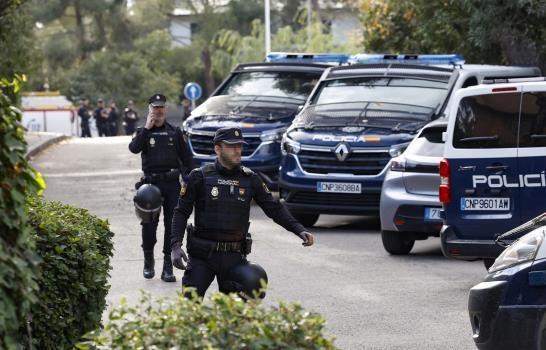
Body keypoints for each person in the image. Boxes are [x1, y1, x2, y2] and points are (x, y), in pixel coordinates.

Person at [170, 127, 314, 298]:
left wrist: (299, 229)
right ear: (218, 148)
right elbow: (181, 212)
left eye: (239, 146)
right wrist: (175, 245)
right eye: (231, 146)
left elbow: (274, 209)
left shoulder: (250, 179)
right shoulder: (199, 177)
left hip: (234, 258)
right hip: (203, 256)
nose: (237, 150)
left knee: (236, 315)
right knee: (190, 307)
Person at [129, 93, 192, 282]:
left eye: (161, 107)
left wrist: (188, 179)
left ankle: (167, 265)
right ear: (150, 110)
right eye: (154, 107)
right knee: (149, 225)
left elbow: (187, 158)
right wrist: (147, 129)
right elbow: (134, 148)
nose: (158, 110)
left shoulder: (174, 131)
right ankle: (148, 260)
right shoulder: (143, 131)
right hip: (150, 185)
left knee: (171, 225)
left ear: (165, 109)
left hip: (172, 183)